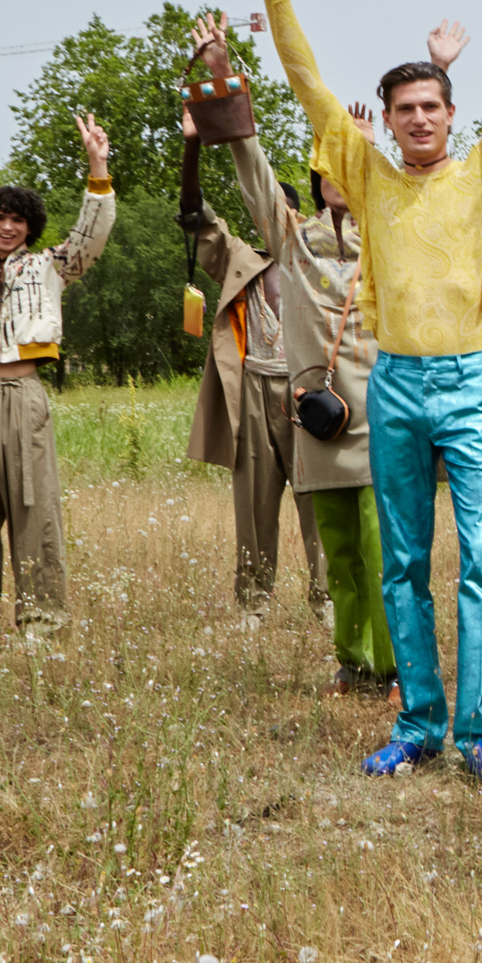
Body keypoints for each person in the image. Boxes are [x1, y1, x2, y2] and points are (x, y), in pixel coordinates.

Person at [222, 0, 482, 779]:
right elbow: (307, 84)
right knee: (403, 564)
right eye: (405, 109)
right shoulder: (367, 176)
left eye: (432, 106)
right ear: (388, 123)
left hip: (471, 380)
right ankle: (419, 721)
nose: (420, 119)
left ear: (450, 113)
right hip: (393, 384)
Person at [186, 11, 399, 695]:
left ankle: (395, 665)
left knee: (381, 548)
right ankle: (353, 662)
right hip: (315, 415)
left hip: (382, 411)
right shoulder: (294, 239)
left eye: (351, 170)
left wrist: (373, 143)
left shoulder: (388, 237)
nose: (339, 179)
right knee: (339, 551)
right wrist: (222, 72)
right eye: (329, 170)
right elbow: (251, 164)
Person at [0, 112, 115, 641]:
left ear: (30, 226)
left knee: (35, 511)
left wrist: (97, 166)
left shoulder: (51, 266)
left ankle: (42, 620)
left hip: (22, 393)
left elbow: (91, 235)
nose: (7, 226)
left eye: (18, 219)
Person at [180, 89, 329, 625]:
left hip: (310, 391)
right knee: (253, 506)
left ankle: (328, 599)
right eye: (270, 209)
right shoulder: (240, 258)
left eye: (286, 209)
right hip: (253, 390)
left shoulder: (319, 250)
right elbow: (193, 215)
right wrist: (192, 148)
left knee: (319, 500)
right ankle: (255, 603)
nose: (278, 219)